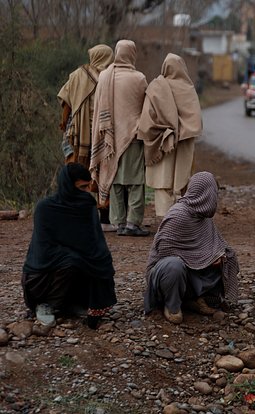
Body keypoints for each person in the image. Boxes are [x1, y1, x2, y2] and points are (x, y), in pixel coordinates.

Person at [22, 163, 117, 329]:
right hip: (42, 275)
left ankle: (73, 302)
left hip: (75, 265)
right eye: (82, 187)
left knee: (99, 260)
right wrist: (76, 254)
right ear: (68, 185)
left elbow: (94, 243)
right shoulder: (46, 208)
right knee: (71, 261)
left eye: (89, 186)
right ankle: (46, 304)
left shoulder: (87, 207)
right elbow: (44, 251)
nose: (87, 191)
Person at [144, 172, 240, 324]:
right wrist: (204, 260)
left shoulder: (201, 216)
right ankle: (172, 306)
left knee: (229, 257)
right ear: (204, 194)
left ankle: (195, 300)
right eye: (213, 194)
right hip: (165, 274)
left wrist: (217, 257)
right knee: (174, 266)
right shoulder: (178, 215)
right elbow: (164, 253)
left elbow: (216, 246)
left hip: (190, 270)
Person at [90, 39, 149, 237]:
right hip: (132, 137)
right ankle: (133, 223)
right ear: (132, 54)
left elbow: (97, 108)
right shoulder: (139, 78)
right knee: (135, 182)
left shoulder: (104, 76)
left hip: (109, 138)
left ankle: (118, 223)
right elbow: (145, 107)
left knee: (114, 180)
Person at [57, 44, 115, 231]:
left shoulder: (77, 75)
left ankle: (72, 215)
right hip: (101, 136)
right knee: (103, 173)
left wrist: (63, 123)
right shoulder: (110, 78)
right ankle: (104, 217)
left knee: (74, 172)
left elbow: (65, 102)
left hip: (77, 138)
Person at [138, 53, 202, 218]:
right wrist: (181, 129)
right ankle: (182, 217)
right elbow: (195, 119)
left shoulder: (156, 86)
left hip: (161, 140)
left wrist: (164, 129)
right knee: (182, 180)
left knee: (163, 180)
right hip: (184, 142)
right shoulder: (188, 88)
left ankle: (165, 217)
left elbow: (147, 117)